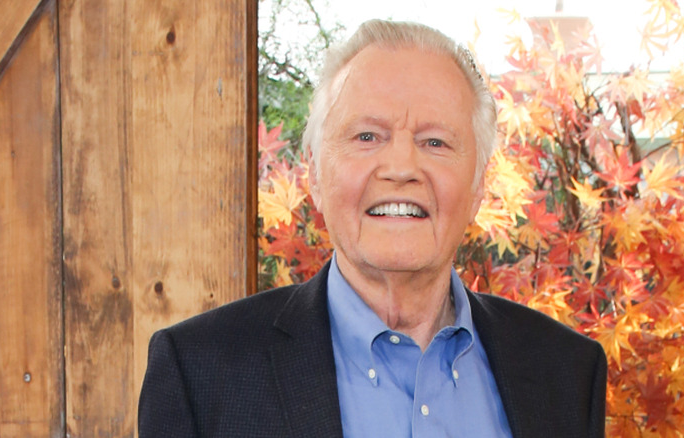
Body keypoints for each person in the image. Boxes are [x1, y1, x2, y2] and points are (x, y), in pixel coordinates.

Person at [138, 19, 607, 438]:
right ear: (314, 175)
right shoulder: (199, 373)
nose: (402, 167)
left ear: (479, 187)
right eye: (367, 137)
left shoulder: (566, 372)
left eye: (435, 141)